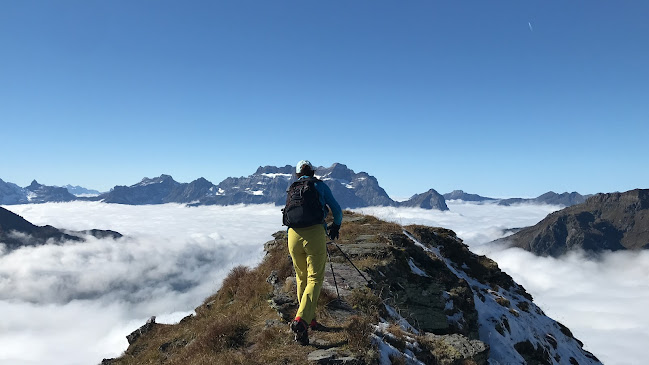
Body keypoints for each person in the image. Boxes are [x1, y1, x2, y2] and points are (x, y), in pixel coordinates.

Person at [283, 160, 342, 346]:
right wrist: (336, 226)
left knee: (301, 279)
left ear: (297, 174)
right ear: (313, 171)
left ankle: (311, 319)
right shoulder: (319, 186)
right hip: (314, 234)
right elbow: (337, 211)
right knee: (315, 279)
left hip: (292, 235)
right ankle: (301, 321)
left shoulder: (293, 188)